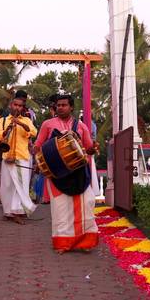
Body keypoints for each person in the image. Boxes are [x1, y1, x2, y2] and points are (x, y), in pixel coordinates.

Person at [34, 95, 99, 253]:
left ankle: (85, 242)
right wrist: (39, 162)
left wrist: (93, 149)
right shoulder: (47, 124)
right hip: (57, 175)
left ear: (71, 107)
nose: (60, 108)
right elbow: (37, 145)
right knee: (60, 208)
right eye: (58, 105)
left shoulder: (81, 126)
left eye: (64, 105)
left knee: (85, 205)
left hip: (78, 173)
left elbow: (88, 148)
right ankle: (62, 243)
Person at [0, 91, 38, 222]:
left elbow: (33, 132)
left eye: (20, 106)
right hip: (7, 156)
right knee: (7, 185)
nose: (17, 108)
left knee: (20, 185)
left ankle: (18, 211)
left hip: (22, 157)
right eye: (15, 105)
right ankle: (8, 211)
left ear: (22, 108)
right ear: (11, 106)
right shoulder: (3, 121)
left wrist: (21, 124)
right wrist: (8, 128)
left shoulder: (27, 120)